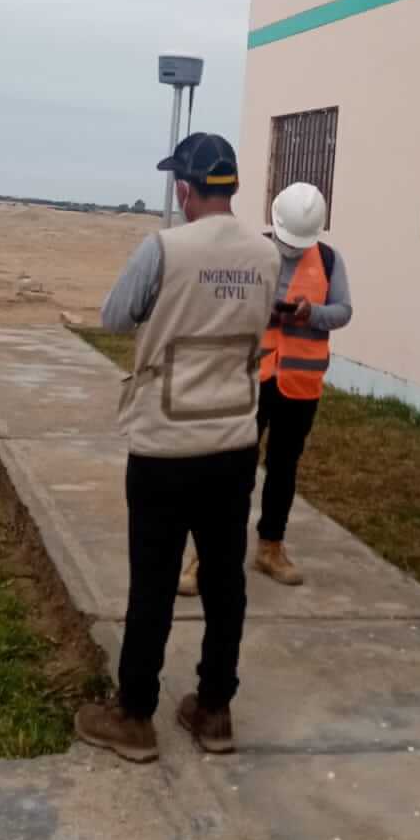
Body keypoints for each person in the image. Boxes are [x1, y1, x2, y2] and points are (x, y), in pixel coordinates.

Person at [74, 133, 280, 764]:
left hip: (164, 444)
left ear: (184, 190)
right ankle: (215, 710)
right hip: (234, 441)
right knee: (224, 580)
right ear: (232, 188)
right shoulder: (268, 254)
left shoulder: (163, 248)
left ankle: (135, 715)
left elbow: (114, 317)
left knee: (154, 581)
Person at [178, 180, 352, 595]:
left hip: (300, 385)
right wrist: (260, 311)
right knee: (230, 468)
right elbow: (222, 305)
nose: (291, 250)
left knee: (283, 468)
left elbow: (343, 311)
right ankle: (208, 552)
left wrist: (312, 314)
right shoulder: (249, 252)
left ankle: (271, 547)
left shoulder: (329, 260)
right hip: (250, 380)